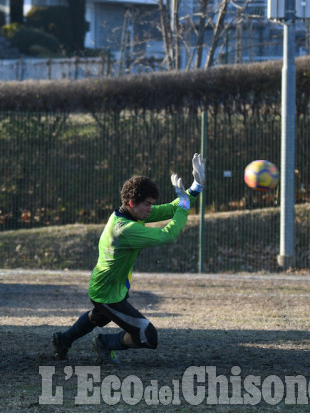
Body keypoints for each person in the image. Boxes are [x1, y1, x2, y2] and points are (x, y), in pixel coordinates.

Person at [52, 153, 205, 364]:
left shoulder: (128, 213)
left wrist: (196, 187)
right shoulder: (125, 228)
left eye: (152, 204)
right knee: (148, 336)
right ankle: (105, 343)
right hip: (108, 294)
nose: (150, 209)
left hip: (106, 287)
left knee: (99, 316)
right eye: (147, 204)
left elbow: (171, 209)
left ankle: (64, 339)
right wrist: (185, 205)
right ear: (133, 202)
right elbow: (167, 235)